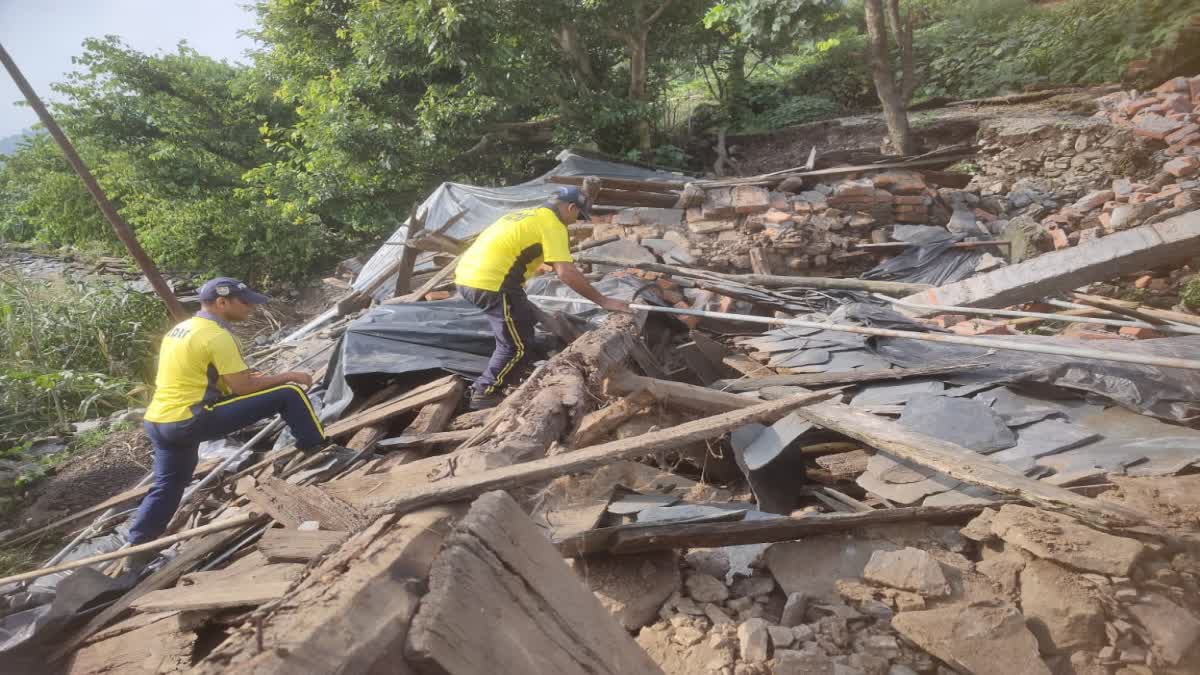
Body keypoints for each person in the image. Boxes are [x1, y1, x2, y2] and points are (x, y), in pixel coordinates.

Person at [127, 277, 330, 548]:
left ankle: (138, 547)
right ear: (222, 302)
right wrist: (287, 375)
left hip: (159, 421)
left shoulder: (182, 329)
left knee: (169, 485)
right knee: (289, 393)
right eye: (244, 302)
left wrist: (245, 382)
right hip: (193, 417)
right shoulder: (217, 335)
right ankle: (319, 450)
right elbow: (243, 387)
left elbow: (203, 378)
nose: (250, 308)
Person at [455, 186, 631, 410]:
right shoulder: (553, 225)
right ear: (570, 207)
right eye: (578, 215)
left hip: (468, 278)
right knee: (516, 345)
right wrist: (603, 301)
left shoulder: (523, 215)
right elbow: (565, 273)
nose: (576, 221)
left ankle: (515, 368)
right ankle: (485, 393)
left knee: (524, 317)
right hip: (493, 284)